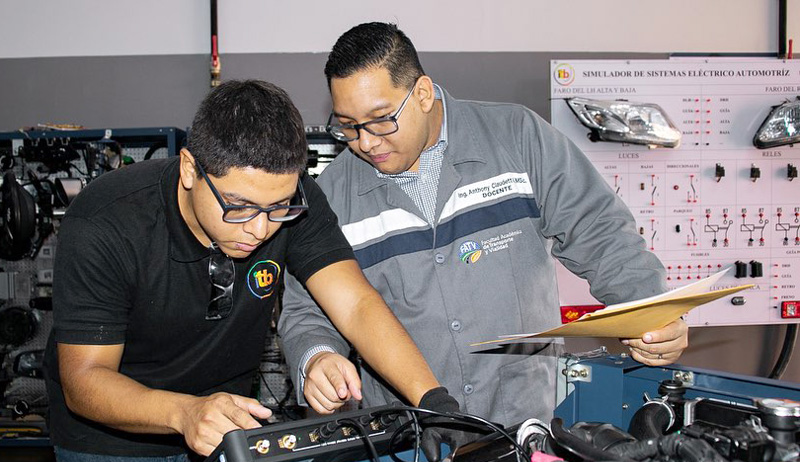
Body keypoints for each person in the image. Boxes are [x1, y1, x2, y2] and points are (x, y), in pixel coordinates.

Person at [43, 79, 456, 462]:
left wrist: (434, 401)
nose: (259, 230)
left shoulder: (296, 203)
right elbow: (85, 379)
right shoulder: (105, 222)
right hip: (110, 442)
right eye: (238, 207)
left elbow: (355, 304)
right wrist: (184, 412)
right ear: (189, 170)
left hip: (228, 429)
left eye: (278, 207)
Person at [278, 22, 689, 438]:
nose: (365, 142)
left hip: (523, 420)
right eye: (347, 126)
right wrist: (317, 356)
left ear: (422, 94)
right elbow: (306, 309)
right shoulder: (333, 195)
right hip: (410, 437)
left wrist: (650, 310)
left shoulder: (518, 139)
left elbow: (599, 231)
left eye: (380, 120)